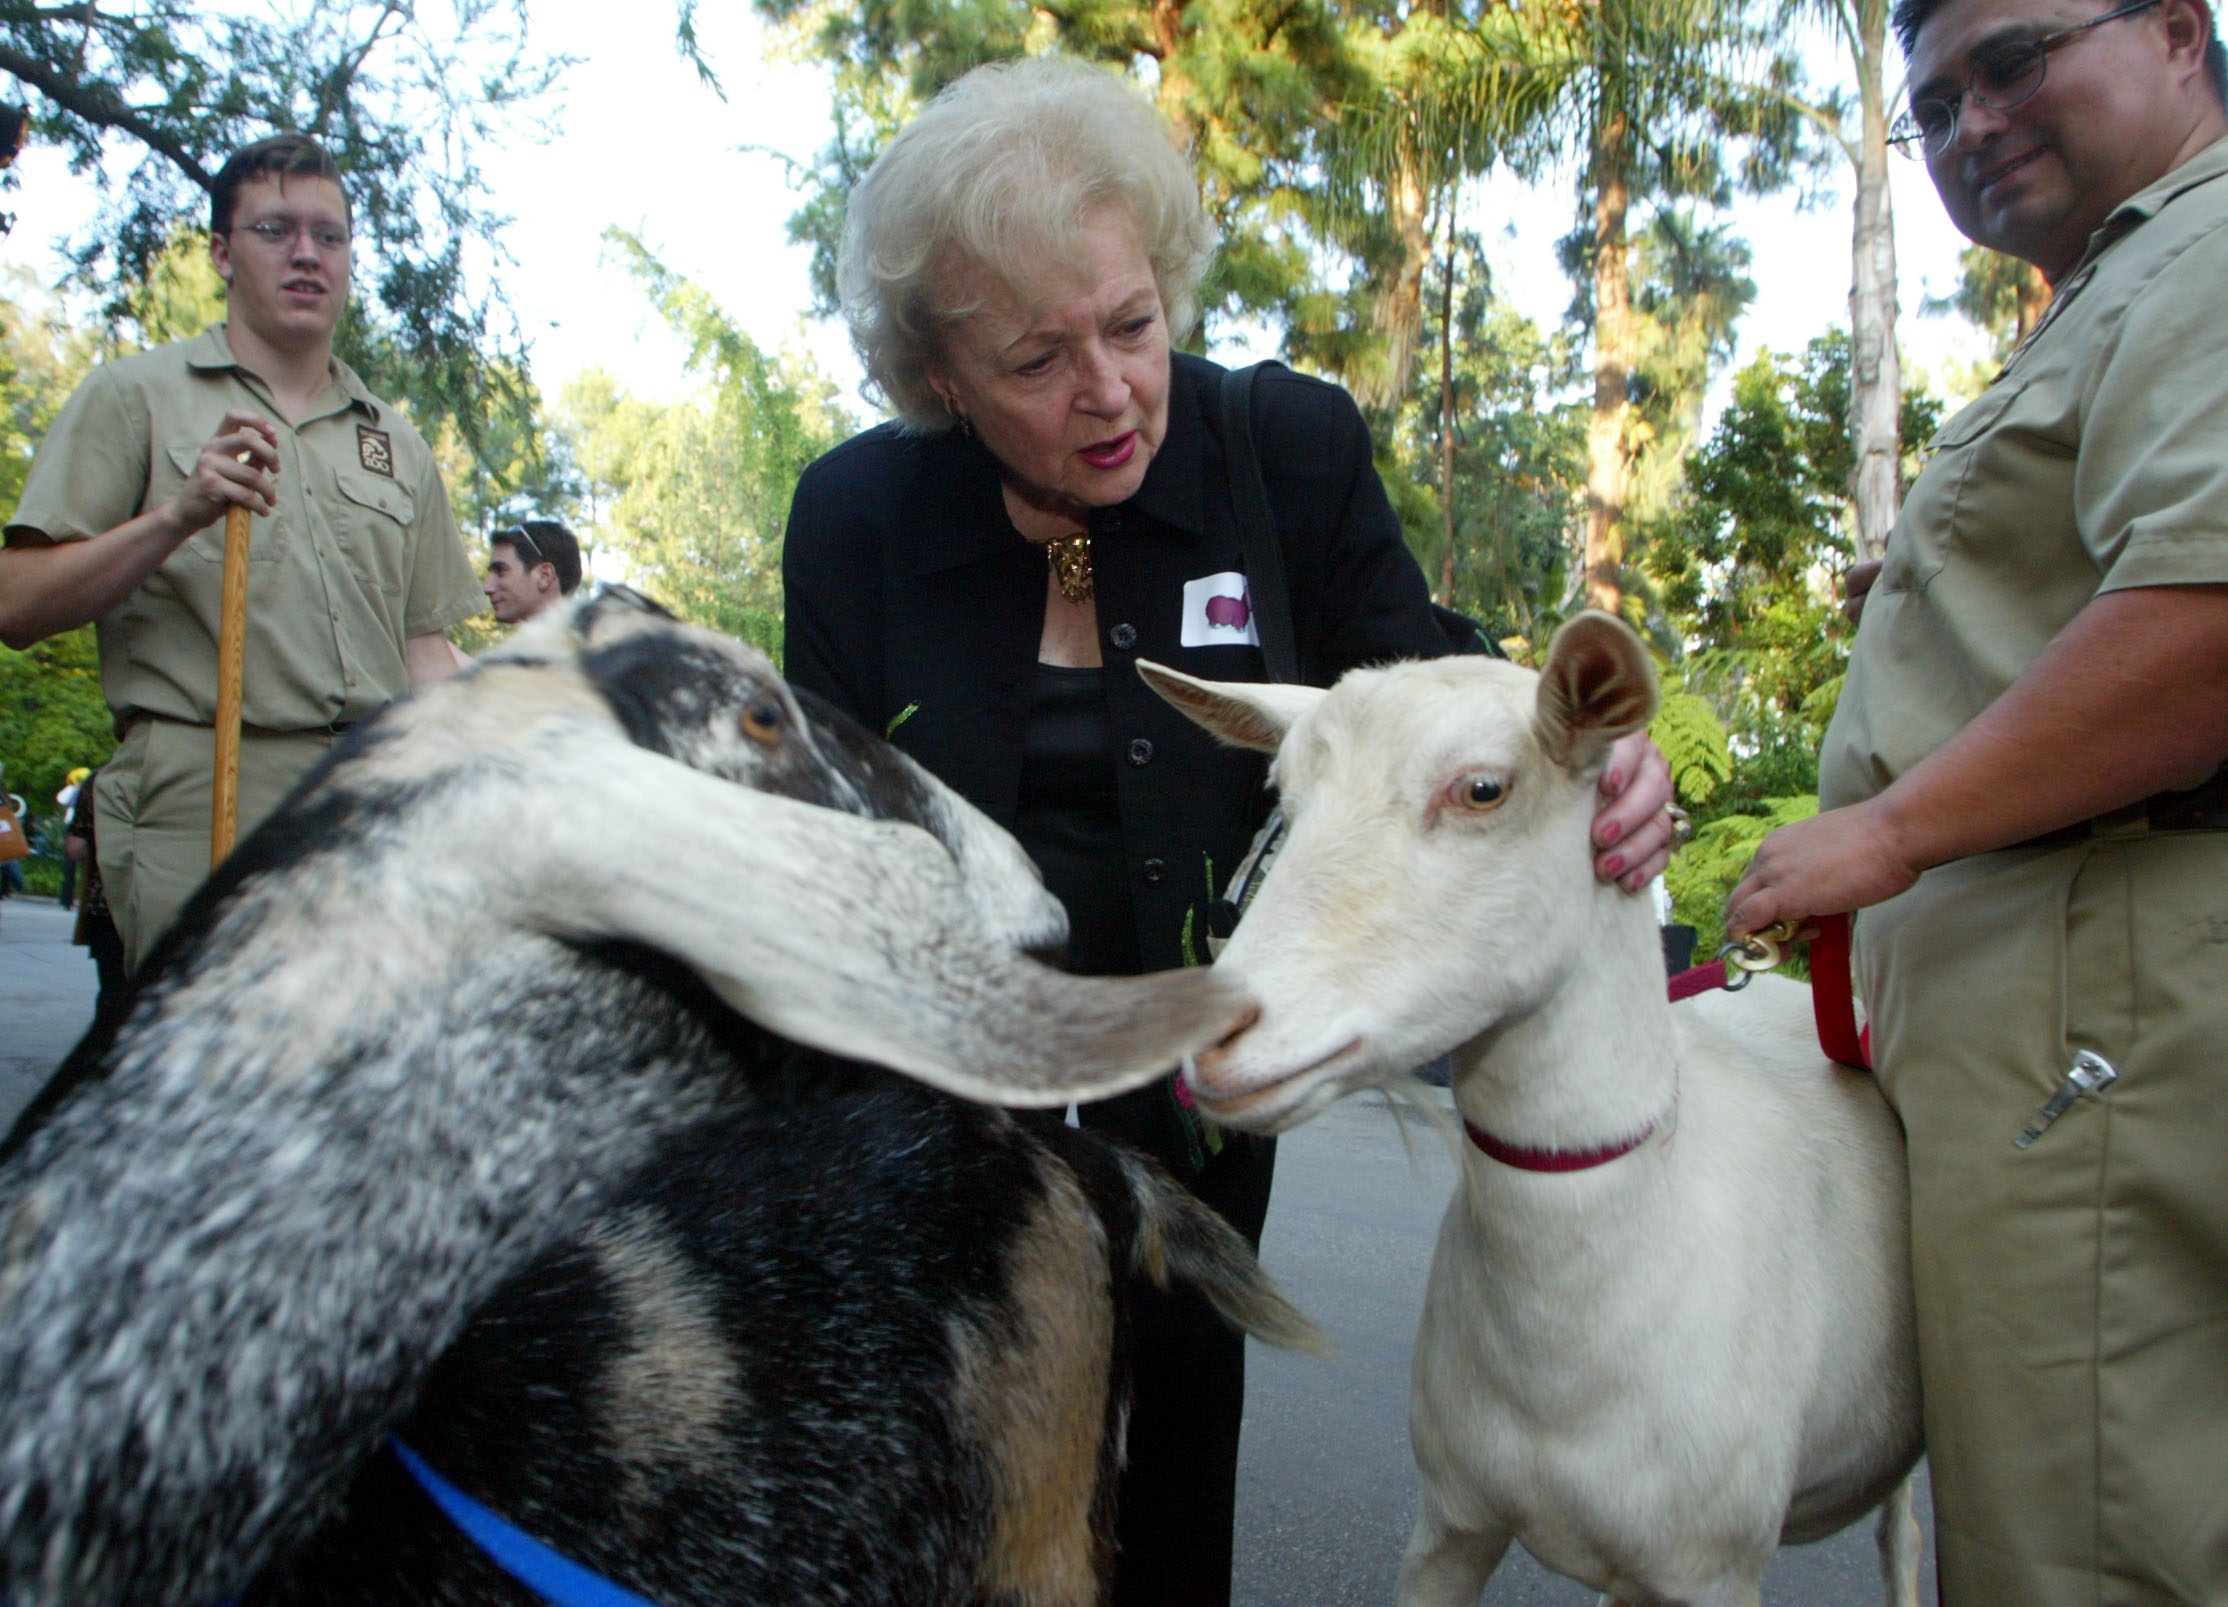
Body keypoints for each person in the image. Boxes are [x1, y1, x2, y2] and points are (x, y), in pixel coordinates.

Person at [782, 57, 1680, 1606]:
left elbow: (1442, 688)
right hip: (941, 1109)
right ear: (939, 376)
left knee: (1177, 1470)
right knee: (946, 1488)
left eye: (1132, 325)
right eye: (1037, 359)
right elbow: (826, 826)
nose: (1112, 389)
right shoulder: (858, 517)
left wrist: (1608, 752)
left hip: (1199, 1082)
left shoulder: (1285, 452)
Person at [1726, 2, 2228, 1598]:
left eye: (2014, 61)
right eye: (1931, 105)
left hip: (2097, 973)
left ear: (2173, 32)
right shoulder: (2126, 277)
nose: (1970, 124)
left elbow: (2208, 619)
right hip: (2054, 974)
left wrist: (1882, 830)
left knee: (2081, 1537)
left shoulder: (2205, 257)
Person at [0, 133, 484, 973]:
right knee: (205, 1083)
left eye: (328, 236)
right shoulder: (135, 397)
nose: (306, 254)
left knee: (351, 1085)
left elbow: (425, 650)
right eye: (275, 230)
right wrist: (176, 516)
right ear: (222, 253)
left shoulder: (394, 441)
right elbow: (16, 602)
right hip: (203, 786)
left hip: (366, 800)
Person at [482, 518, 583, 624]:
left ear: (544, 576)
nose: (487, 588)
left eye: (500, 571)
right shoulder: (586, 636)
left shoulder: (594, 638)